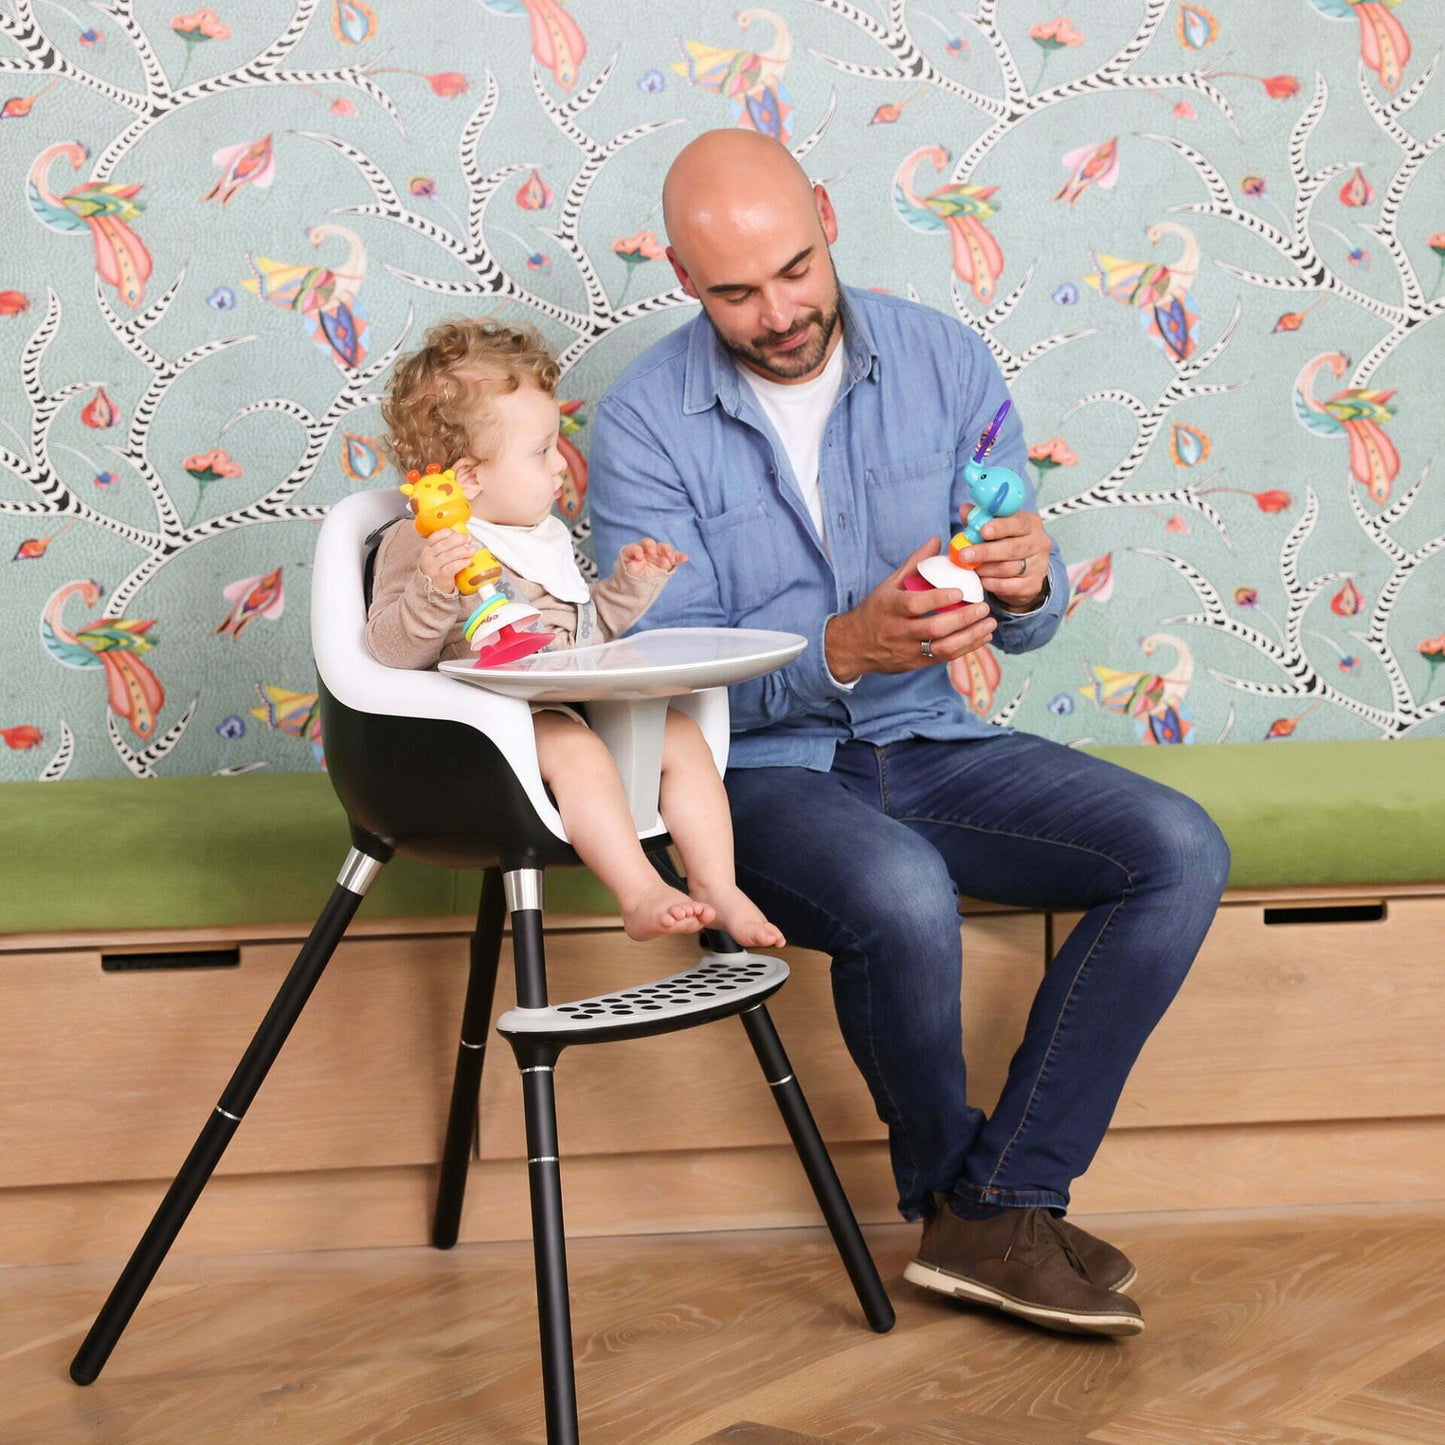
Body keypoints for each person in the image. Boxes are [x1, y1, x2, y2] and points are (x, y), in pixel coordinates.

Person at [588, 131, 1231, 1338]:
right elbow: (656, 677)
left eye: (794, 267)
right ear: (680, 276)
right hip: (748, 779)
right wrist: (837, 647)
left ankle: (999, 1199)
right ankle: (966, 1208)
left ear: (826, 217)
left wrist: (1029, 585)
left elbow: (1017, 614)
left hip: (929, 738)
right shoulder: (638, 424)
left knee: (1176, 848)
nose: (777, 312)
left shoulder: (944, 358)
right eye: (734, 291)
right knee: (900, 888)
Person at [366, 317, 784, 950]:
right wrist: (434, 588)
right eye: (541, 452)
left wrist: (628, 588)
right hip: (482, 742)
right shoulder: (425, 544)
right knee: (577, 749)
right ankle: (641, 891)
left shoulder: (538, 538)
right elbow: (389, 653)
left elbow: (578, 642)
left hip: (562, 706)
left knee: (680, 734)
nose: (562, 463)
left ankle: (716, 885)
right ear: (469, 479)